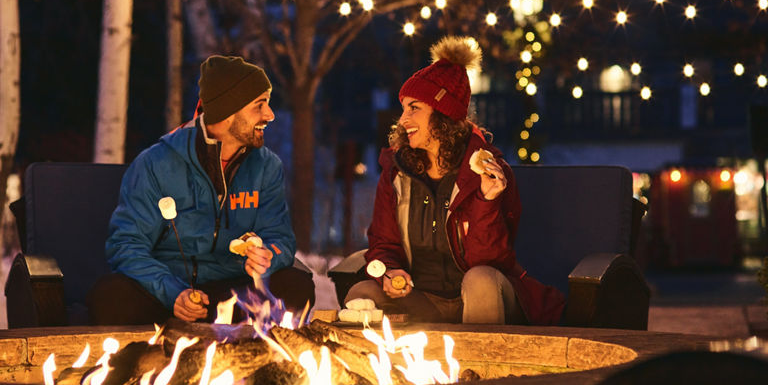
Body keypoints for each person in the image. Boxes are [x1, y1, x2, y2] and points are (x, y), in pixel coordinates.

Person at [343, 36, 565, 325]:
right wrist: (390, 270)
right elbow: (384, 243)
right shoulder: (396, 173)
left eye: (414, 108)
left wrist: (487, 201)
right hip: (421, 298)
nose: (402, 120)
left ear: (443, 113)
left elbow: (490, 260)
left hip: (482, 294)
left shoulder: (487, 171)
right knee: (361, 293)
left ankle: (485, 369)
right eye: (403, 109)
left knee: (480, 280)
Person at [89, 55, 315, 325]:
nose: (270, 115)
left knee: (297, 286)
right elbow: (126, 245)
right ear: (228, 111)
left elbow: (281, 239)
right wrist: (173, 293)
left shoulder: (266, 167)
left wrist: (268, 255)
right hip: (170, 293)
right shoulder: (156, 163)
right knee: (110, 295)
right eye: (259, 105)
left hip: (235, 294)